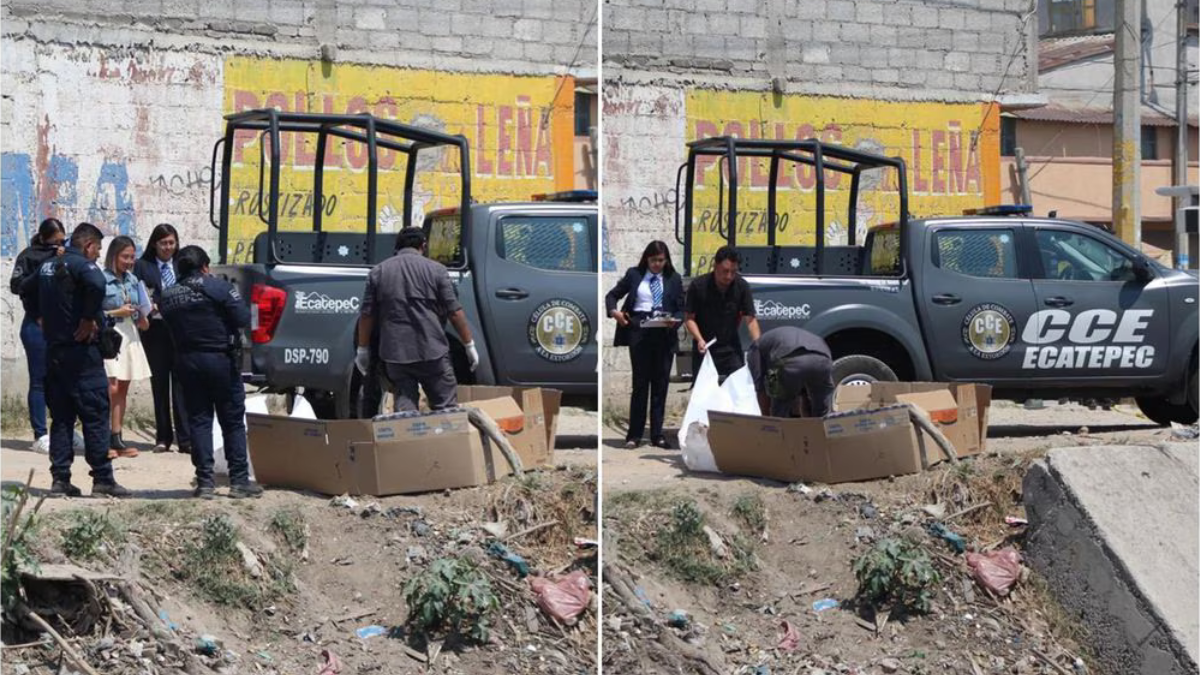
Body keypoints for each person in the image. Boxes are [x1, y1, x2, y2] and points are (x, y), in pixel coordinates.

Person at [23, 222, 130, 497]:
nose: (97, 255)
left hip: (55, 352)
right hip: (82, 353)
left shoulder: (48, 265)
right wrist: (86, 318)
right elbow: (96, 283)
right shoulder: (83, 265)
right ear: (89, 245)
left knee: (61, 419)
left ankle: (60, 480)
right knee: (94, 414)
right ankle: (103, 479)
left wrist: (39, 316)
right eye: (97, 249)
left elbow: (24, 287)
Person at [158, 246, 259, 499]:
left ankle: (205, 482)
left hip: (187, 362)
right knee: (232, 420)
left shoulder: (167, 295)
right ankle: (239, 481)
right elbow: (244, 318)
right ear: (205, 267)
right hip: (220, 360)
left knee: (199, 420)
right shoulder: (219, 288)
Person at [356, 226, 479, 412]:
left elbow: (367, 315)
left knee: (405, 407)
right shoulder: (437, 271)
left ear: (397, 247)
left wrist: (362, 349)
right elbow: (454, 312)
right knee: (446, 408)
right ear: (424, 245)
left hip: (395, 354)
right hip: (433, 352)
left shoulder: (378, 272)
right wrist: (469, 345)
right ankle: (446, 440)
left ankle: (410, 437)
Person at [606, 240, 684, 449]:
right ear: (646, 259)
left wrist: (674, 321)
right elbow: (612, 296)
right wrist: (615, 313)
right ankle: (634, 435)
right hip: (640, 332)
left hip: (664, 334)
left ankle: (657, 434)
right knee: (640, 385)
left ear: (666, 260)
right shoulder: (634, 275)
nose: (657, 264)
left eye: (660, 260)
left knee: (660, 385)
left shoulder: (674, 279)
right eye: (653, 260)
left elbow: (681, 309)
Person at [134, 223, 192, 454]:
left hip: (179, 329)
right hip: (155, 331)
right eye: (163, 243)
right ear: (154, 244)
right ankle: (163, 437)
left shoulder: (182, 264)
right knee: (159, 384)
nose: (167, 247)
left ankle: (184, 438)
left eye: (171, 243)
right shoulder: (143, 266)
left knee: (181, 384)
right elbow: (137, 293)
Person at [10, 218, 67, 453]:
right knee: (39, 379)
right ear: (44, 239)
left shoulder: (64, 256)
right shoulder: (29, 256)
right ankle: (40, 434)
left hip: (60, 326)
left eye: (62, 242)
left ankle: (63, 429)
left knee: (61, 380)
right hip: (36, 325)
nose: (59, 246)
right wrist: (48, 263)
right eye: (54, 242)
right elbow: (17, 286)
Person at [101, 236, 152, 458]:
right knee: (109, 388)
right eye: (125, 257)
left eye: (132, 257)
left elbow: (140, 307)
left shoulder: (133, 280)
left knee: (122, 387)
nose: (129, 261)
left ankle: (116, 437)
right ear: (114, 256)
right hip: (110, 334)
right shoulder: (102, 280)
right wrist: (115, 312)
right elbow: (94, 311)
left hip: (130, 333)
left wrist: (143, 317)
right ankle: (101, 439)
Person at [684, 246, 761, 383]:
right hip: (705, 347)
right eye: (725, 271)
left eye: (733, 272)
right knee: (703, 394)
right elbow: (689, 319)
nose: (729, 276)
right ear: (715, 266)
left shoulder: (741, 286)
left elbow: (750, 319)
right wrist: (699, 339)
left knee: (738, 388)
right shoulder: (698, 286)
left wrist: (758, 345)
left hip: (731, 347)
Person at [746, 326, 835, 418]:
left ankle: (777, 429)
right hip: (823, 359)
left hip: (790, 360)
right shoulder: (775, 341)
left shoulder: (754, 350)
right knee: (822, 408)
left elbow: (761, 389)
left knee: (779, 405)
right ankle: (822, 427)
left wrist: (767, 419)